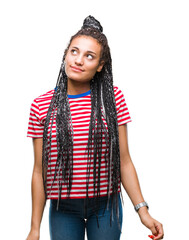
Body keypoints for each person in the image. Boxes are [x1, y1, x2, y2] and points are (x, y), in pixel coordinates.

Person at [26, 16, 164, 240]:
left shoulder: (112, 100)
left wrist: (143, 211)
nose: (78, 60)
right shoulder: (41, 106)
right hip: (63, 208)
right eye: (74, 51)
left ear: (100, 66)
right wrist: (34, 228)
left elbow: (124, 161)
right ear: (65, 54)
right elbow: (39, 171)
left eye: (89, 56)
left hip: (106, 207)